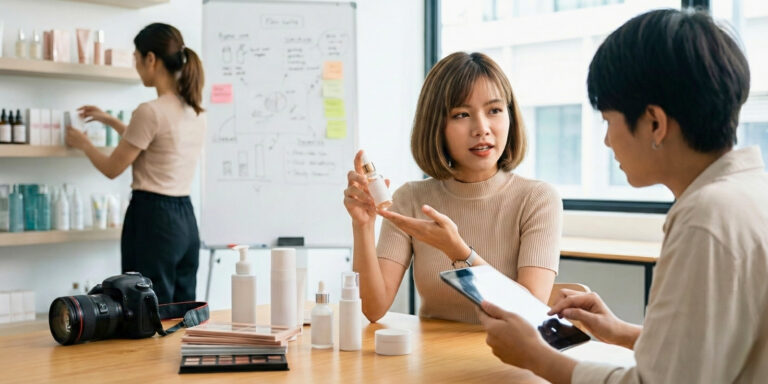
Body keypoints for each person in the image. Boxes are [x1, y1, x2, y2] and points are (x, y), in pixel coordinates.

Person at [479, 9, 767, 383]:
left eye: (608, 120)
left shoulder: (706, 218)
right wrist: (620, 331)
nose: (607, 140)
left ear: (654, 123)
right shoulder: (749, 192)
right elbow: (705, 353)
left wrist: (537, 358)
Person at [344, 52, 562, 324]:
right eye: (461, 114)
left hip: (511, 360)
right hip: (433, 361)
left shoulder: (538, 199)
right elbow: (372, 309)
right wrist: (363, 226)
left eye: (494, 110)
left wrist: (461, 253)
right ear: (437, 126)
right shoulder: (411, 198)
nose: (482, 128)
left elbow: (530, 310)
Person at [66, 23, 206, 304]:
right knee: (180, 310)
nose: (136, 64)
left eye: (136, 58)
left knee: (143, 309)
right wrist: (111, 120)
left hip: (152, 218)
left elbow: (112, 168)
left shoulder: (149, 111)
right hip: (186, 220)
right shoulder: (195, 110)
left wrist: (84, 144)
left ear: (151, 59)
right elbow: (154, 145)